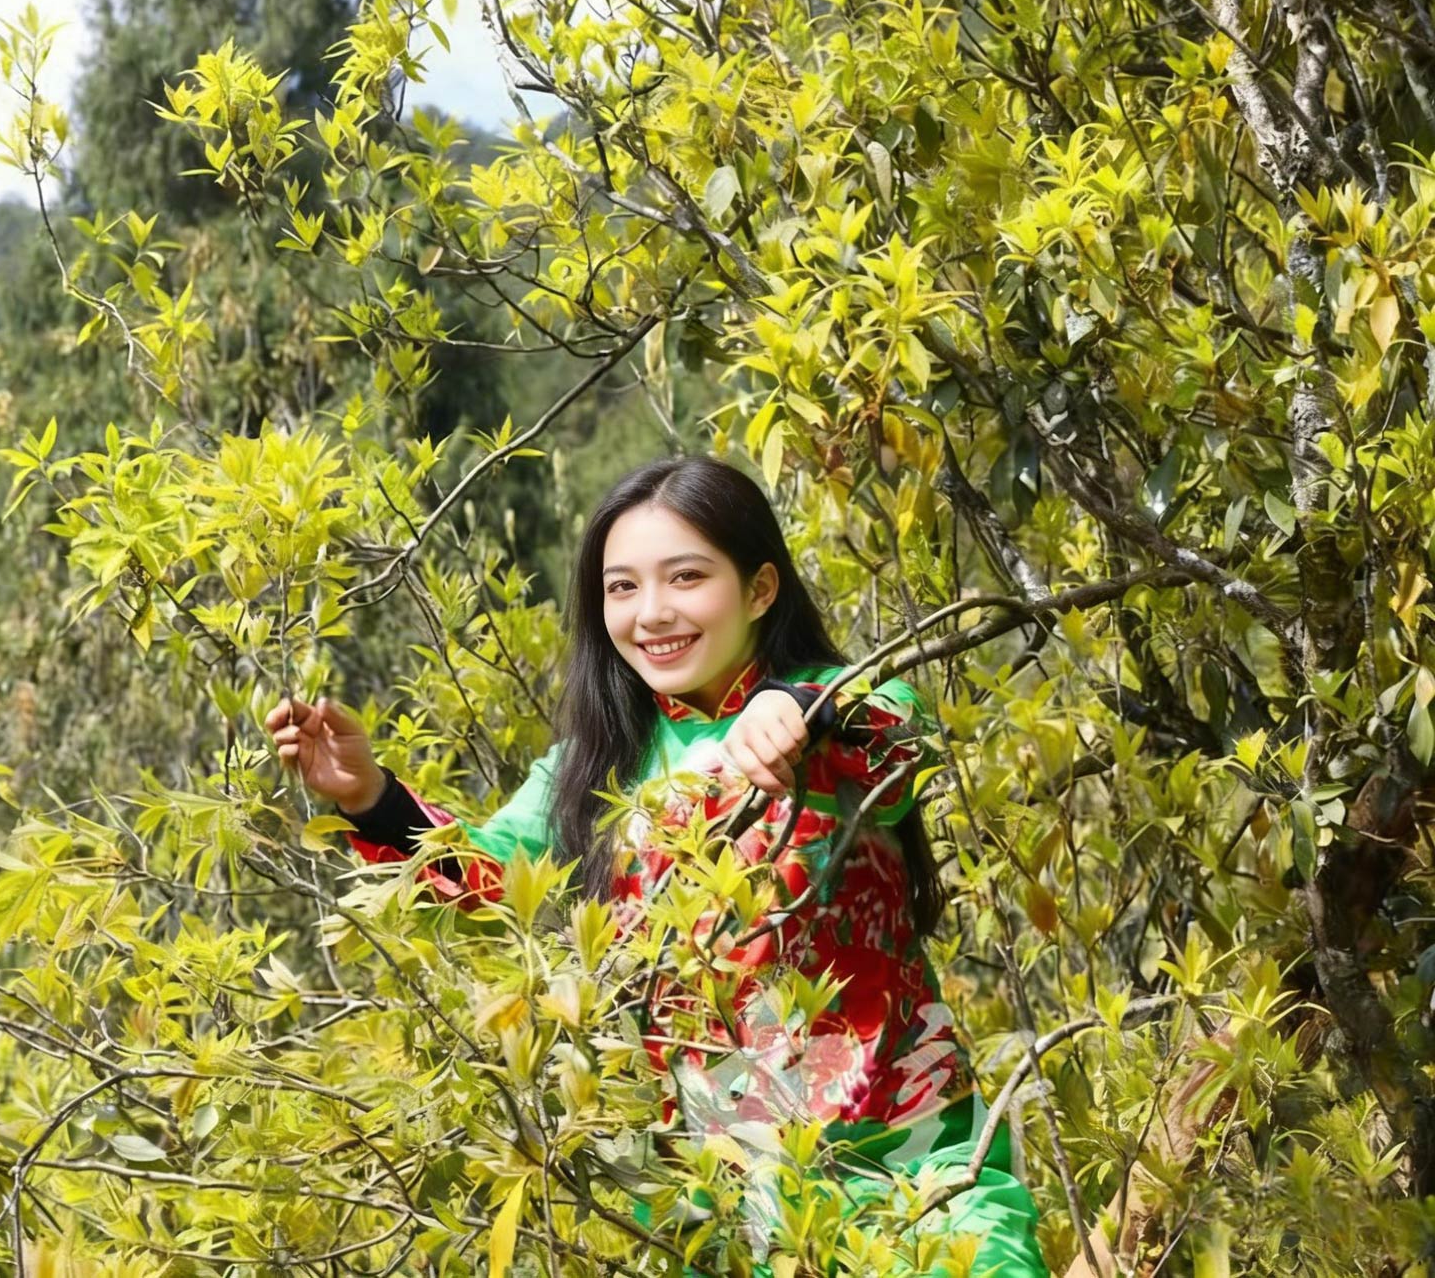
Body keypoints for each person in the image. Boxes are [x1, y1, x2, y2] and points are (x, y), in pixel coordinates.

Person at [267, 455, 1046, 1276]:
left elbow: (904, 729)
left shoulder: (836, 711)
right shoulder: (591, 771)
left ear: (760, 589)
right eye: (623, 587)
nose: (653, 613)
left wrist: (797, 708)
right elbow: (482, 883)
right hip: (713, 1212)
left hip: (912, 1173)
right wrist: (369, 796)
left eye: (685, 577)